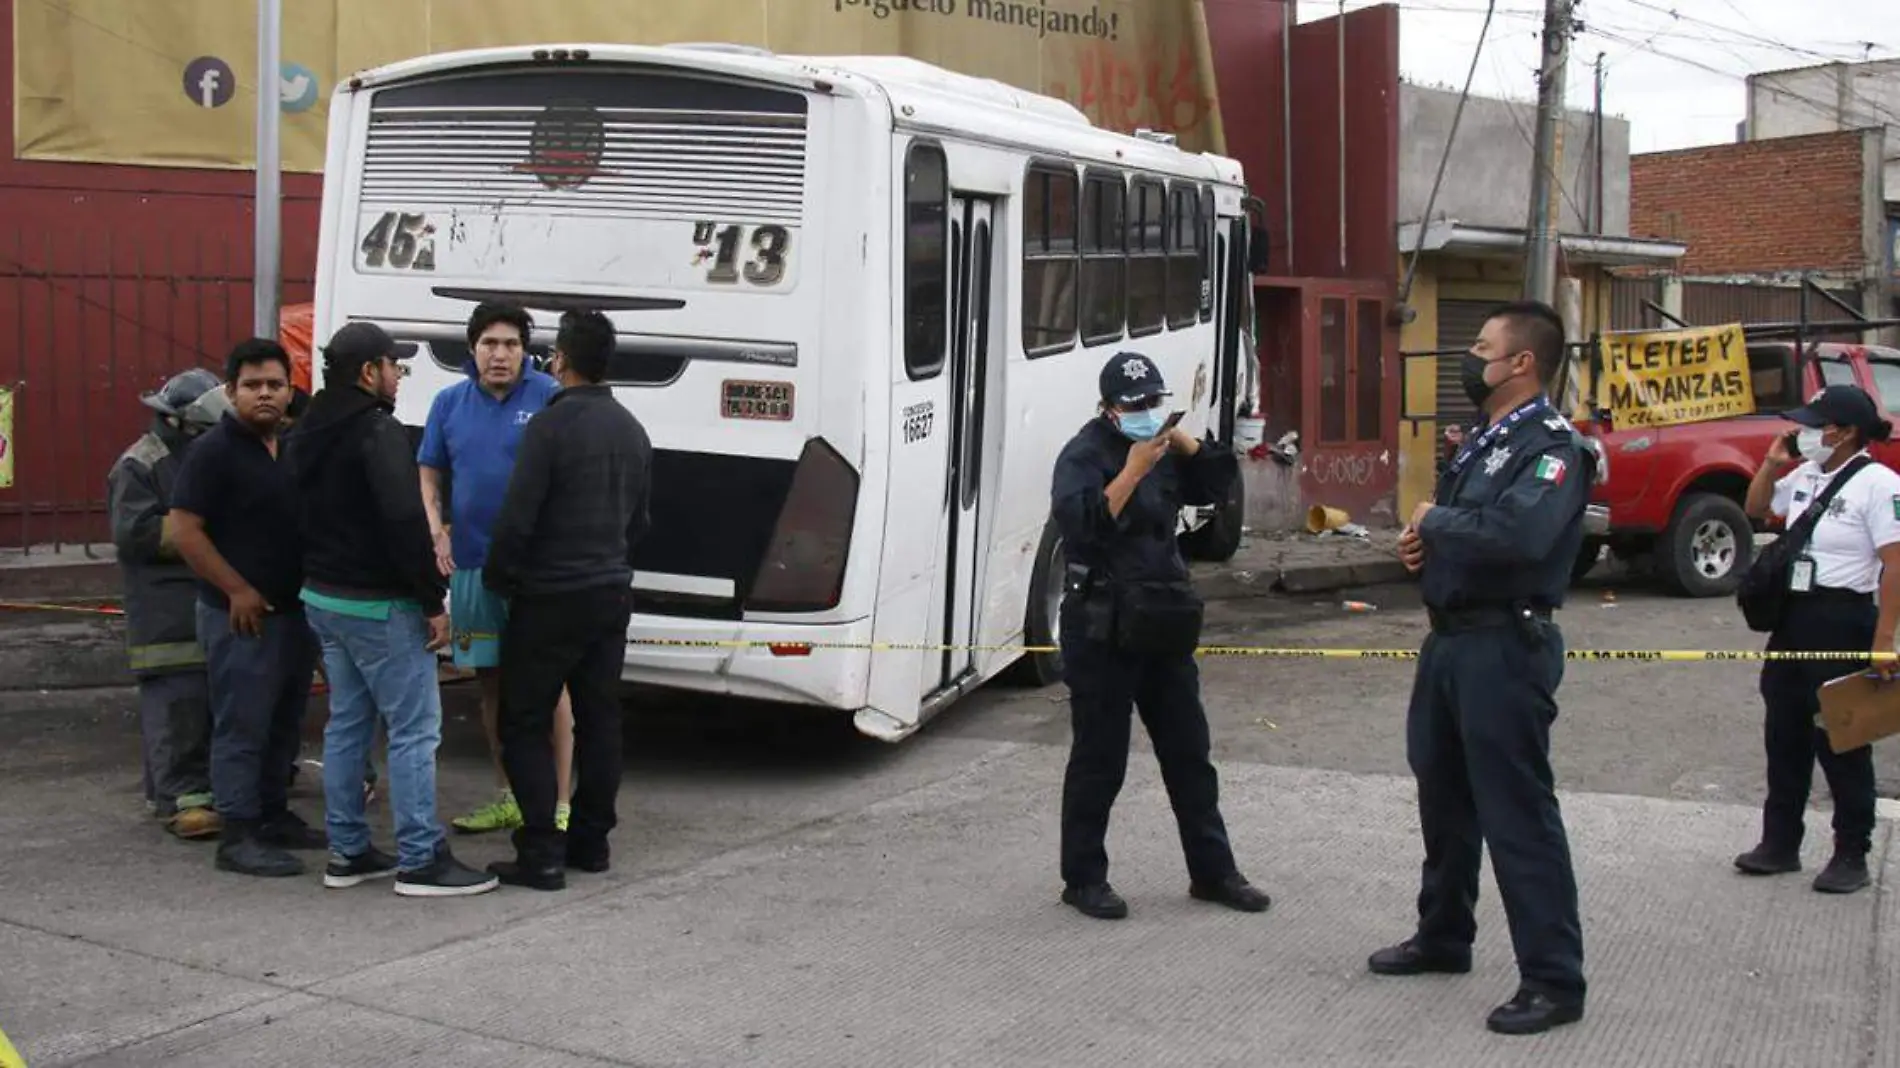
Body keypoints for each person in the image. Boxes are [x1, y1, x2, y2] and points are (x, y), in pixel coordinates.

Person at [1376, 300, 1593, 1036]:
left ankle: (1554, 979)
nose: (1471, 357)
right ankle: (1443, 935)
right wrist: (1424, 550)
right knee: (1445, 799)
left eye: (1481, 346)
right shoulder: (1485, 442)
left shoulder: (1554, 445)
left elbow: (1522, 533)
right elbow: (1465, 532)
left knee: (1517, 813)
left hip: (1506, 646)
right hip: (1451, 640)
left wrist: (1433, 521)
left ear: (1521, 363)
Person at [1047, 351, 1271, 922]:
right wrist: (1132, 471)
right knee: (1101, 759)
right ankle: (1084, 878)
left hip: (1162, 620)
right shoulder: (1084, 454)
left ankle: (1214, 872)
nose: (1148, 413)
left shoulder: (1164, 447)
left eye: (1155, 402)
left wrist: (1187, 446)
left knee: (1189, 753)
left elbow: (1217, 486)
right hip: (1101, 627)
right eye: (1136, 405)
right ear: (1109, 409)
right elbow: (1083, 527)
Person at [286, 321, 497, 898]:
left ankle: (349, 851)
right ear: (367, 372)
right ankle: (420, 857)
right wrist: (432, 600)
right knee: (415, 730)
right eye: (393, 367)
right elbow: (405, 522)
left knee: (349, 723)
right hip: (381, 605)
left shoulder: (305, 429)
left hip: (323, 600)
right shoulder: (376, 432)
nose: (398, 377)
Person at [483, 309, 651, 891]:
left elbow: (516, 520)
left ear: (561, 361)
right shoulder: (633, 429)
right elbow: (640, 522)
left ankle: (540, 853)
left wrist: (501, 581)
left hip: (549, 596)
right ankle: (591, 842)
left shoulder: (549, 429)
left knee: (524, 720)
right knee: (600, 720)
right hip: (609, 592)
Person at [169, 339, 326, 877]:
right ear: (231, 392)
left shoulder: (288, 445)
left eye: (275, 385)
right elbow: (183, 531)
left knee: (284, 720)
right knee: (242, 724)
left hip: (293, 612)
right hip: (239, 617)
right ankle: (237, 834)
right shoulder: (214, 452)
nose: (265, 394)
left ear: (289, 392)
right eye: (253, 385)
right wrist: (236, 589)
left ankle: (273, 816)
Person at [417, 301, 576, 837]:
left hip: (537, 573)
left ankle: (557, 803)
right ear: (472, 349)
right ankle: (511, 795)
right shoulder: (448, 403)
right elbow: (429, 472)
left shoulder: (552, 399)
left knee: (549, 687)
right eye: (489, 344)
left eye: (510, 344)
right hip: (473, 570)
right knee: (490, 684)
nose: (500, 355)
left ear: (526, 351)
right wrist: (437, 528)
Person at [1737, 383, 1900, 895]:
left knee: (1841, 737)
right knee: (1783, 731)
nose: (1807, 432)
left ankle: (1852, 850)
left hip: (1843, 616)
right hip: (1794, 615)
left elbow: (1895, 564)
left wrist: (1884, 638)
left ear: (1846, 432)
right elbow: (1758, 508)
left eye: (1818, 423)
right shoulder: (1806, 474)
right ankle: (1779, 842)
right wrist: (1770, 464)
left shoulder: (1880, 485)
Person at [109, 368, 231, 840]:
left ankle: (187, 789)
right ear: (180, 423)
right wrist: (198, 534)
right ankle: (181, 797)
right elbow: (134, 533)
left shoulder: (200, 458)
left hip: (204, 598)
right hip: (164, 609)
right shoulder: (140, 464)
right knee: (176, 703)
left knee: (204, 700)